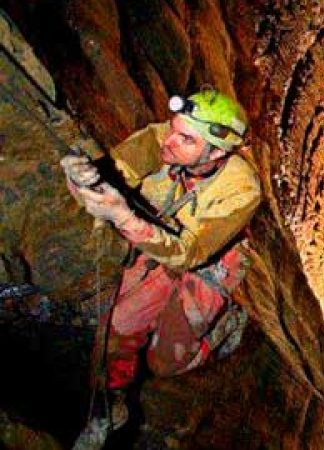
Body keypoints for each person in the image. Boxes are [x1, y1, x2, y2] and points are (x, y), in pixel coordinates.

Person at [61, 90, 261, 449]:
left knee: (165, 362)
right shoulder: (158, 140)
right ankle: (112, 404)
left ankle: (221, 330)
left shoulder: (242, 189)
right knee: (117, 326)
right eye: (174, 128)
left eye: (186, 139)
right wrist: (81, 180)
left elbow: (191, 253)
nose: (169, 141)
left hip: (209, 259)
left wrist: (123, 216)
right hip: (158, 239)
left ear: (216, 152)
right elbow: (106, 182)